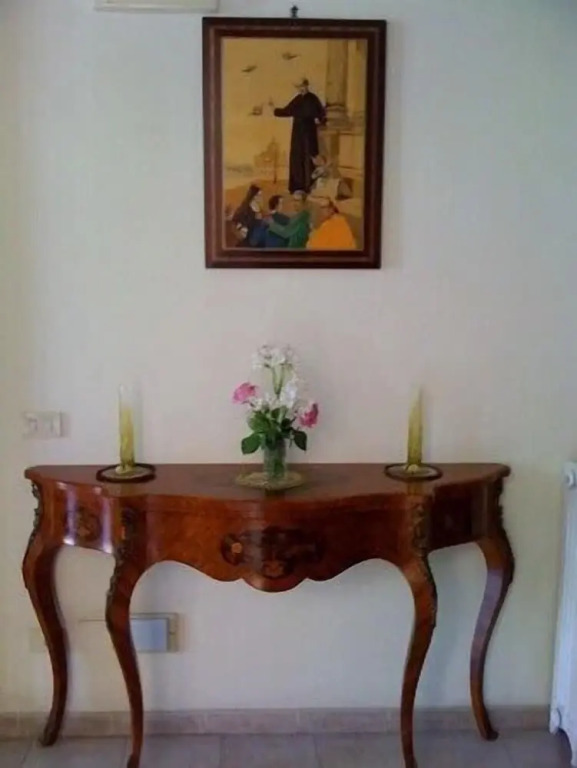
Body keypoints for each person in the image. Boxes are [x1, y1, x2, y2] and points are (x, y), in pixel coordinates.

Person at [272, 78, 326, 194]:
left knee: (308, 157)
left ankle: (308, 186)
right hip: (297, 133)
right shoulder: (297, 99)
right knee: (297, 157)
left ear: (306, 86)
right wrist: (274, 109)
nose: (301, 89)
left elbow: (321, 113)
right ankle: (297, 186)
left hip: (309, 133)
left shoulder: (313, 98)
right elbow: (287, 111)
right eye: (299, 87)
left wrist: (319, 119)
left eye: (302, 86)